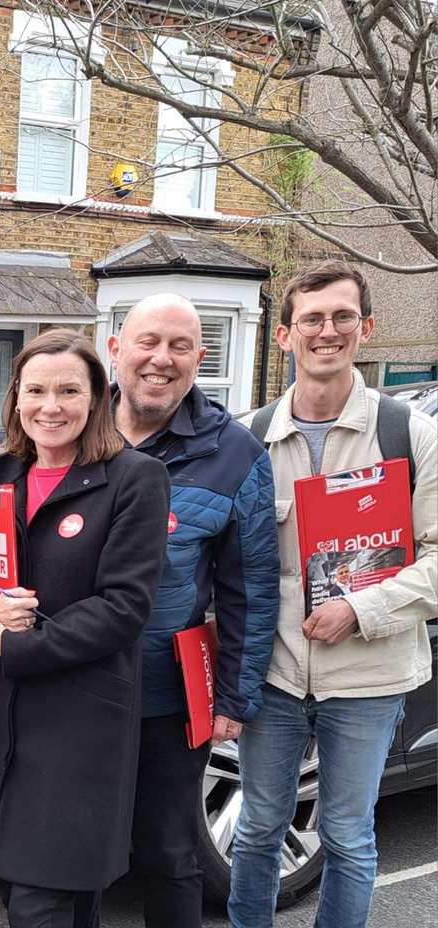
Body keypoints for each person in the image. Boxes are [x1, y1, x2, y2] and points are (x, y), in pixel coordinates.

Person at [0, 329, 171, 928]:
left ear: (96, 398)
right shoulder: (0, 478)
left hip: (78, 721)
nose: (51, 406)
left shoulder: (134, 478)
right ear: (16, 398)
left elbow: (123, 607)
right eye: (36, 390)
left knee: (41, 899)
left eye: (69, 390)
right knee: (52, 898)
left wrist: (14, 642)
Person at [229, 261, 437, 928]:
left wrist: (361, 609)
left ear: (365, 329)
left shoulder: (411, 435)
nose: (327, 331)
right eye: (311, 320)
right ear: (286, 335)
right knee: (259, 829)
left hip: (370, 677)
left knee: (348, 836)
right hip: (275, 674)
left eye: (342, 317)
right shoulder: (246, 437)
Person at [100, 294, 279, 928]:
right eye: (148, 342)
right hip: (71, 689)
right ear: (116, 347)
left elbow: (250, 587)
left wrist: (234, 695)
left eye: (180, 347)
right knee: (75, 857)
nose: (162, 359)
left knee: (171, 854)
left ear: (200, 358)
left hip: (168, 697)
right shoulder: (70, 425)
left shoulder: (235, 455)